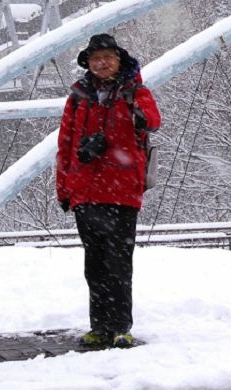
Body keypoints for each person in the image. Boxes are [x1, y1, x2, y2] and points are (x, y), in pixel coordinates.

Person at [56, 33, 161, 349]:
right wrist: (64, 188)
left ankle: (120, 327)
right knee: (95, 265)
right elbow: (65, 144)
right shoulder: (78, 98)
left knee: (118, 265)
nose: (101, 63)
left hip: (121, 193)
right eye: (95, 58)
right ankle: (99, 327)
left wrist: (137, 116)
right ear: (88, 64)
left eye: (108, 57)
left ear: (119, 60)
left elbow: (153, 121)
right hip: (86, 193)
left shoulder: (134, 92)